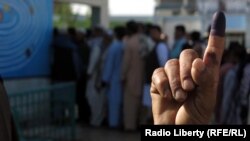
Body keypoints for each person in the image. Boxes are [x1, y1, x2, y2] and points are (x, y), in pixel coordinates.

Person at [150, 11, 226, 124]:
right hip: (174, 84)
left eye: (177, 32)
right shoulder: (173, 45)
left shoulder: (182, 44)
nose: (175, 34)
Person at [101, 26, 126, 128]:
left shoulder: (114, 47)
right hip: (123, 79)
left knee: (113, 104)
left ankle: (113, 124)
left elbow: (109, 65)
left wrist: (104, 80)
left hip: (114, 80)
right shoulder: (125, 46)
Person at [121, 21, 144, 130]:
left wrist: (122, 76)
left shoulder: (130, 43)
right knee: (140, 103)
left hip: (131, 77)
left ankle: (130, 126)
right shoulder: (143, 40)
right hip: (143, 77)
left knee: (130, 104)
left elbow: (126, 63)